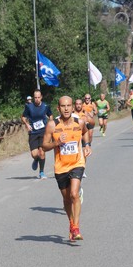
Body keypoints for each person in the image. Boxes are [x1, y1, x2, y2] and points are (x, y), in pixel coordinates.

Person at [42, 95, 92, 241]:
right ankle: (71, 224)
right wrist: (56, 143)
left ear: (72, 107)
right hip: (61, 166)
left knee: (74, 194)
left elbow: (85, 133)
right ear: (58, 108)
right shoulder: (52, 125)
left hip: (77, 163)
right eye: (63, 106)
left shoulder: (80, 122)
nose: (66, 108)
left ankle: (76, 228)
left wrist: (87, 146)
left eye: (69, 105)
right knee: (66, 198)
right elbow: (44, 146)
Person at [21, 89, 53, 179]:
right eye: (35, 97)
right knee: (34, 154)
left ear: (41, 97)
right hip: (33, 132)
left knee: (42, 152)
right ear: (33, 98)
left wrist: (50, 123)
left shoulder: (45, 106)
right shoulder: (29, 107)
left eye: (39, 97)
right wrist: (27, 124)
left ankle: (42, 172)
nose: (37, 99)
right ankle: (36, 159)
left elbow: (50, 115)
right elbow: (23, 117)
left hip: (43, 132)